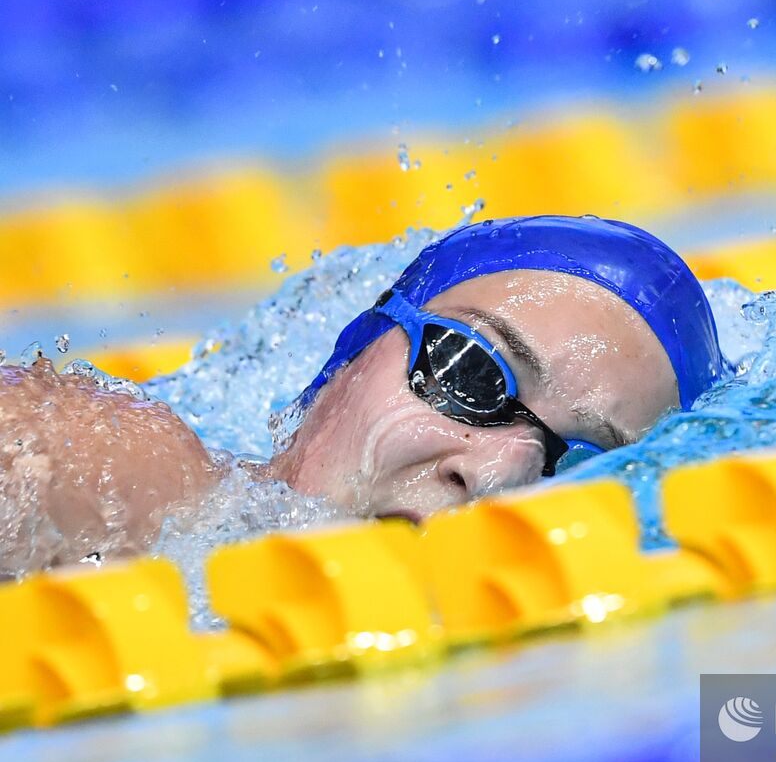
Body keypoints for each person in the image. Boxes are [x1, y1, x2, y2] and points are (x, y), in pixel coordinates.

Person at [0, 215, 726, 578]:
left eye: (571, 464)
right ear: (351, 354)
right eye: (472, 371)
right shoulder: (125, 481)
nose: (498, 473)